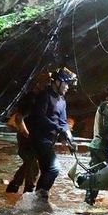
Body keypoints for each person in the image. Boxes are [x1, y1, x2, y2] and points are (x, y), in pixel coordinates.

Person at [27, 67, 77, 201]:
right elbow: (40, 116)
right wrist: (58, 128)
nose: (67, 87)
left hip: (50, 140)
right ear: (57, 82)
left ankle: (37, 200)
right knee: (54, 168)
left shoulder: (62, 101)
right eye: (66, 84)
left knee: (46, 170)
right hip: (39, 138)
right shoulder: (44, 96)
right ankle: (40, 196)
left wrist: (70, 140)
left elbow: (63, 122)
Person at [5, 72, 51, 193]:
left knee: (29, 163)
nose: (49, 85)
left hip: (34, 137)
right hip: (27, 138)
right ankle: (28, 194)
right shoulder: (31, 98)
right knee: (33, 164)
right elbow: (19, 118)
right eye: (48, 82)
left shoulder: (41, 98)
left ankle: (13, 187)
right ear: (40, 84)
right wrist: (27, 135)